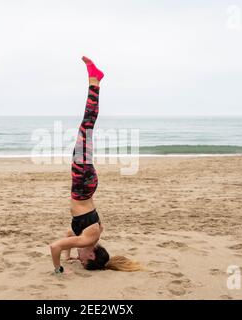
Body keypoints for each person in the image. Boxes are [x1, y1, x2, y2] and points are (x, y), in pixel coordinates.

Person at [49, 56, 142, 274]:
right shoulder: (88, 240)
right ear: (91, 254)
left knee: (86, 128)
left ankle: (95, 80)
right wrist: (57, 269)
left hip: (86, 186)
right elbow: (55, 246)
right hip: (82, 185)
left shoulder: (89, 238)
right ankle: (95, 80)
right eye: (83, 261)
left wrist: (69, 255)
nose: (80, 259)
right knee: (87, 125)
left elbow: (68, 236)